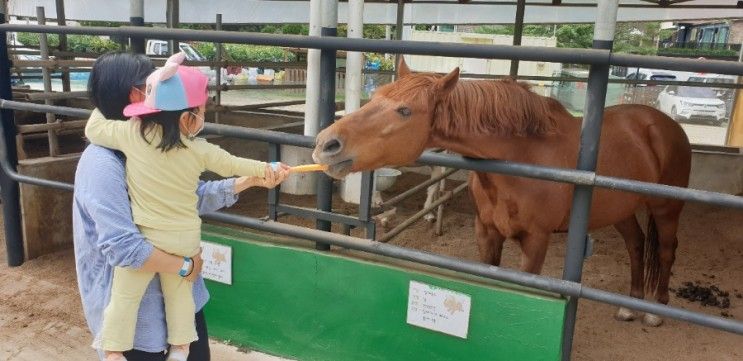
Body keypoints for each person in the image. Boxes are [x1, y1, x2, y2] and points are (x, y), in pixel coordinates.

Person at [73, 52, 287, 361]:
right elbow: (122, 247)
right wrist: (186, 266)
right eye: (152, 81)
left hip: (182, 301)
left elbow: (192, 195)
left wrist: (249, 181)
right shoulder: (102, 163)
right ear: (136, 94)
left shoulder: (163, 142)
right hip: (141, 328)